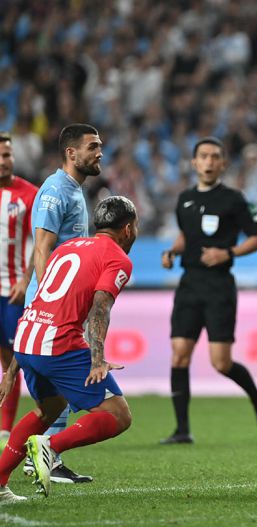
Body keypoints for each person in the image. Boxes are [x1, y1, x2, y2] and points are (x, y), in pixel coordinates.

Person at [0, 196, 138, 502]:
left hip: (27, 337)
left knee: (49, 408)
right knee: (118, 415)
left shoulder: (67, 247)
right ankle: (50, 447)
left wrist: (12, 368)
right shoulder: (117, 258)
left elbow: (40, 300)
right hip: (58, 343)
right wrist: (97, 359)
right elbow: (101, 308)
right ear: (128, 229)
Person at [159, 137, 257, 444]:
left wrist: (228, 253)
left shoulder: (234, 199)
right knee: (179, 355)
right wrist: (172, 252)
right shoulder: (184, 199)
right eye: (203, 156)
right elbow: (186, 236)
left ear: (223, 164)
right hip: (189, 284)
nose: (209, 162)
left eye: (214, 157)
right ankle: (182, 430)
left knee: (221, 363)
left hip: (219, 286)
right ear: (194, 163)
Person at [21, 123, 104, 484]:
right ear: (71, 153)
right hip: (53, 307)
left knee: (54, 395)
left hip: (63, 304)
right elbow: (42, 247)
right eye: (92, 146)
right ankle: (45, 456)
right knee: (64, 388)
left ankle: (42, 458)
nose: (99, 152)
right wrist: (47, 301)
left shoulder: (73, 190)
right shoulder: (55, 191)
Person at [0, 133, 38, 451]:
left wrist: (26, 281)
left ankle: (4, 429)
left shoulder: (28, 195)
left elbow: (40, 243)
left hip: (12, 292)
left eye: (7, 155)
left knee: (13, 359)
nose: (4, 161)